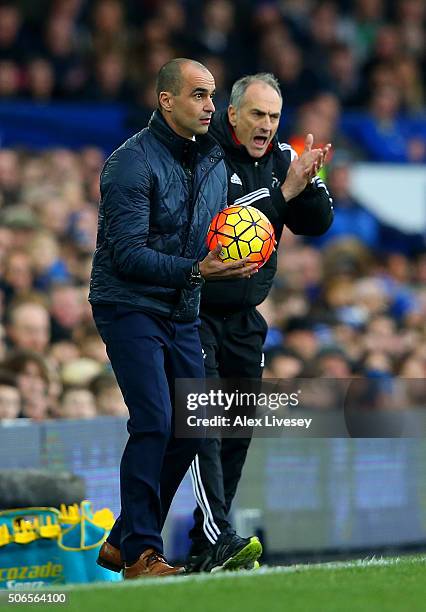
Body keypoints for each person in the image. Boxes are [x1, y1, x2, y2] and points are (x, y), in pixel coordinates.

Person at [88, 58, 258, 580]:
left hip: (182, 306)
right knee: (155, 422)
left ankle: (121, 539)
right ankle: (142, 554)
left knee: (191, 426)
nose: (211, 106)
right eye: (200, 95)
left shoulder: (212, 160)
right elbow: (128, 255)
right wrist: (198, 268)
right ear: (166, 100)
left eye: (213, 96)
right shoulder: (129, 164)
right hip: (128, 305)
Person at [186, 73, 334, 572]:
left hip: (247, 318)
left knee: (237, 426)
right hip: (197, 310)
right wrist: (280, 192)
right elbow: (221, 224)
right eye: (256, 114)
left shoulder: (283, 161)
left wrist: (306, 185)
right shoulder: (205, 155)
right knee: (203, 422)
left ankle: (211, 541)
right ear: (232, 115)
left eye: (273, 116)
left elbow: (316, 224)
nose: (266, 126)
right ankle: (217, 534)